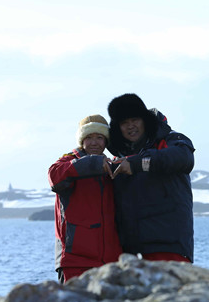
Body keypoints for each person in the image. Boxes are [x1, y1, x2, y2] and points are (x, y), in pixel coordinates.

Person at [107, 93, 195, 263]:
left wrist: (137, 164)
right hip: (130, 252)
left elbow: (184, 159)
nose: (130, 126)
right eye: (124, 123)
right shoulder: (119, 158)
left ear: (145, 120)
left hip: (169, 247)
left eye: (134, 120)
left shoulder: (170, 140)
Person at [48, 114, 123, 283]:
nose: (94, 142)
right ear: (81, 140)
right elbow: (54, 177)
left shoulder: (113, 166)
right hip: (74, 262)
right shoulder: (66, 162)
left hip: (110, 262)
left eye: (99, 137)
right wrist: (93, 164)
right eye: (89, 137)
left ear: (106, 141)